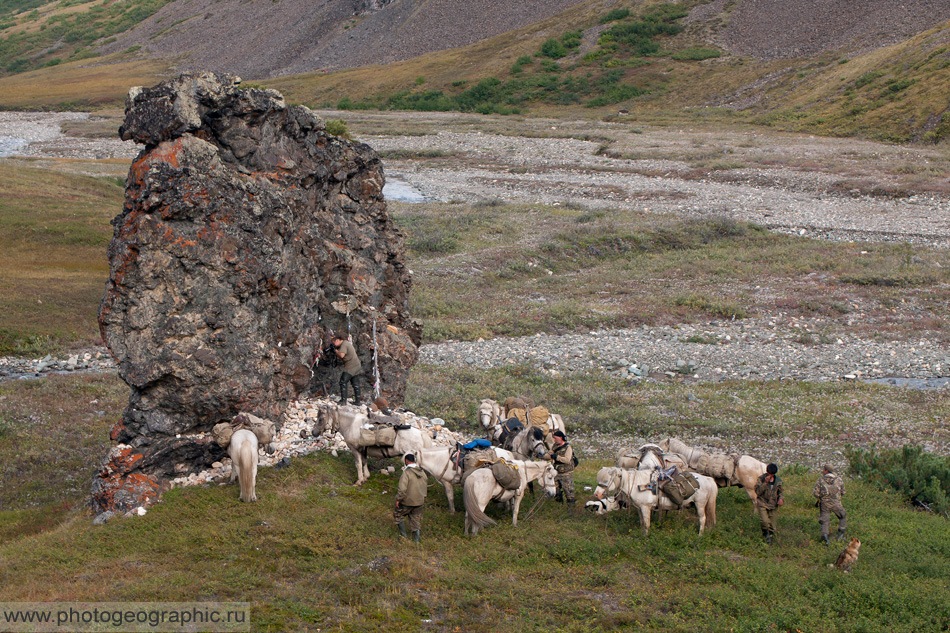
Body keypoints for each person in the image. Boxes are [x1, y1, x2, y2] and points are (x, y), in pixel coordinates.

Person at [394, 453, 427, 542]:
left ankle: (403, 536)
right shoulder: (422, 472)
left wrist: (398, 499)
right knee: (416, 520)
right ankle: (416, 540)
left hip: (407, 502)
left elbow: (402, 489)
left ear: (406, 461)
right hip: (420, 502)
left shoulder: (406, 473)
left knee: (398, 515)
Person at [813, 464, 847, 545]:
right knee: (843, 516)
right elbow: (843, 492)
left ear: (826, 470)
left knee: (825, 520)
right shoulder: (839, 480)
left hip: (824, 503)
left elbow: (815, 493)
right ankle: (840, 535)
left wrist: (820, 498)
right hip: (836, 503)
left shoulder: (820, 480)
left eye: (823, 469)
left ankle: (825, 536)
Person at [754, 463, 784, 544]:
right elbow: (757, 492)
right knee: (764, 521)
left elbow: (780, 492)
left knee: (772, 525)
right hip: (762, 502)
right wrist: (765, 483)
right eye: (769, 473)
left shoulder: (778, 481)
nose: (770, 475)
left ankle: (770, 537)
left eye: (772, 474)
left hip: (773, 504)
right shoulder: (761, 479)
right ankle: (765, 534)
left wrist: (781, 499)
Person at [545, 430, 576, 506]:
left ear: (561, 438)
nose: (554, 440)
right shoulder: (555, 446)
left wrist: (557, 457)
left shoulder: (568, 447)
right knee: (556, 490)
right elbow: (549, 455)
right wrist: (541, 456)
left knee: (569, 491)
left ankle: (571, 508)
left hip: (566, 473)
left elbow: (567, 459)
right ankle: (559, 505)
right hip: (557, 472)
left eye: (555, 438)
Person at [332, 335, 362, 405]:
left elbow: (342, 355)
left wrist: (335, 351)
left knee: (343, 381)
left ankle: (343, 400)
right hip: (357, 365)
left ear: (337, 340)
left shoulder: (344, 344)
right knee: (355, 383)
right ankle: (357, 401)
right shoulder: (346, 343)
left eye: (334, 343)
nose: (334, 345)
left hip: (351, 366)